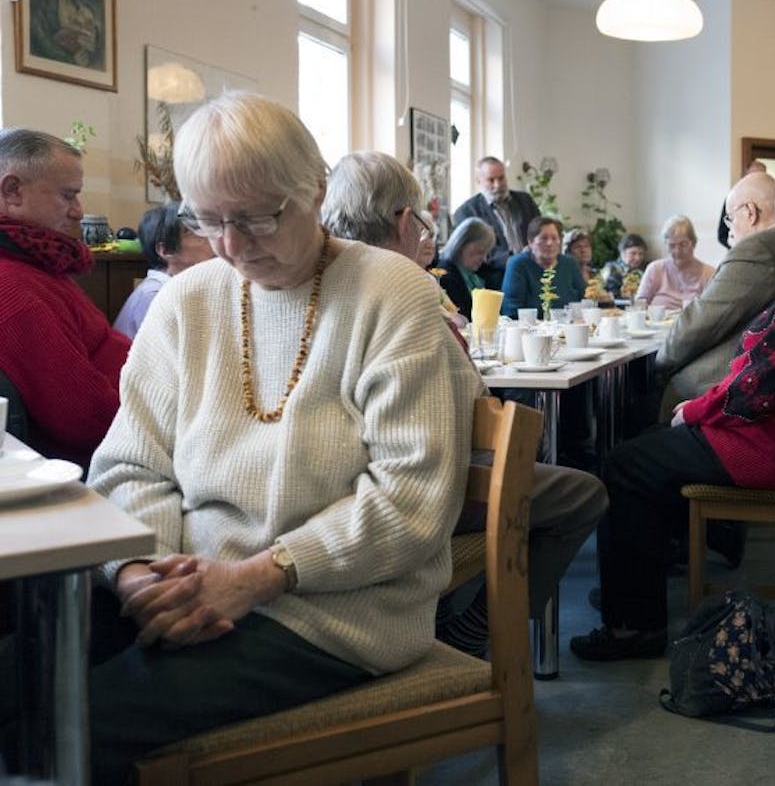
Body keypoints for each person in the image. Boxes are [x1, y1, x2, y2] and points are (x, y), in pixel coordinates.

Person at [76, 93, 478, 781]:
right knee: (24, 667)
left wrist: (255, 578)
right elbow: (128, 469)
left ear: (316, 191)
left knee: (77, 722)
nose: (232, 245)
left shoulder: (393, 295)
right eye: (209, 221)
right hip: (188, 581)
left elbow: (410, 504)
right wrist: (144, 574)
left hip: (336, 613)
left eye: (259, 217)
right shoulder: (185, 301)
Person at [570, 172, 775, 661]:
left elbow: (755, 391)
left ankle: (633, 625)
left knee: (625, 464)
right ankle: (644, 585)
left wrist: (695, 408)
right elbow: (763, 377)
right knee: (651, 449)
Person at [322, 151, 606, 659]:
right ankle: (482, 631)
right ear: (405, 221)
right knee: (582, 494)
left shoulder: (313, 281)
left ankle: (452, 613)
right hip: (412, 494)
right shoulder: (408, 289)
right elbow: (466, 402)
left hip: (329, 490)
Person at [0, 128, 128, 466]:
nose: (78, 210)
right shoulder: (13, 290)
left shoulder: (37, 269)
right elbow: (87, 419)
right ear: (12, 191)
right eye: (68, 195)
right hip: (102, 462)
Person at [655, 171, 775, 417]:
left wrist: (657, 363)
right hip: (772, 382)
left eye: (730, 219)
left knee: (641, 388)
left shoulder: (758, 249)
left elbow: (699, 324)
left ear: (750, 212)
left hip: (728, 388)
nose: (730, 230)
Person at [113, 201, 215, 338]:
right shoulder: (153, 295)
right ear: (165, 250)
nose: (208, 238)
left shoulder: (178, 287)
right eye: (191, 232)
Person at [451, 157, 540, 281]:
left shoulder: (525, 201)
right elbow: (476, 252)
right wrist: (516, 261)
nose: (497, 185)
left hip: (533, 271)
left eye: (501, 178)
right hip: (495, 278)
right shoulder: (466, 212)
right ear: (479, 180)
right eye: (491, 180)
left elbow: (539, 232)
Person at [499, 216, 585, 318]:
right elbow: (510, 311)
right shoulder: (518, 264)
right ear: (530, 242)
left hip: (568, 327)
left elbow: (584, 299)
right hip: (530, 330)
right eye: (544, 238)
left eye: (554, 238)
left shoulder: (570, 263)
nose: (550, 243)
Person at [635, 215, 714, 311]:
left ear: (693, 243)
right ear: (665, 245)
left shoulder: (709, 273)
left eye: (683, 244)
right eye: (672, 246)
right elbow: (639, 304)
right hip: (655, 324)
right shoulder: (655, 269)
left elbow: (712, 311)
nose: (677, 251)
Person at [437, 215, 499, 320]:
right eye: (480, 252)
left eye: (486, 253)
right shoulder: (445, 275)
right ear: (461, 245)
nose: (484, 259)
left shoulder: (479, 274)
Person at [716, 160, 766, 248]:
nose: (758, 180)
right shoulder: (733, 200)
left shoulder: (774, 200)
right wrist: (739, 248)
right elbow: (722, 235)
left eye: (762, 176)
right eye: (754, 176)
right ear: (746, 177)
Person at [564, 227, 612, 305]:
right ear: (568, 252)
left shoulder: (594, 273)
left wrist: (607, 297)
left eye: (587, 246)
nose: (583, 250)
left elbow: (606, 295)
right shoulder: (566, 275)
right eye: (577, 247)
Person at [600, 232, 647, 299]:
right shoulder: (611, 268)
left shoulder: (646, 268)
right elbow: (612, 294)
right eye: (633, 253)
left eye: (641, 254)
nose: (638, 258)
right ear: (622, 253)